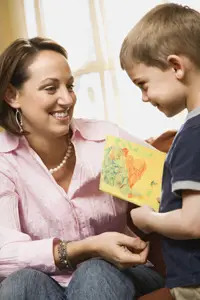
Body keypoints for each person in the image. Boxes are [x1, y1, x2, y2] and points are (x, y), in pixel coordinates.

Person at [0, 37, 164, 300]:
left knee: (94, 272)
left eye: (70, 86)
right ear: (12, 95)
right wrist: (86, 247)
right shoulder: (4, 161)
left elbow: (173, 187)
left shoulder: (102, 142)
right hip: (43, 283)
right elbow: (4, 253)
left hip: (120, 273)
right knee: (21, 283)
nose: (67, 99)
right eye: (51, 88)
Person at [120, 3, 200, 300]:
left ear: (176, 66)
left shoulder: (193, 135)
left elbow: (193, 223)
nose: (143, 97)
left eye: (143, 84)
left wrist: (147, 219)